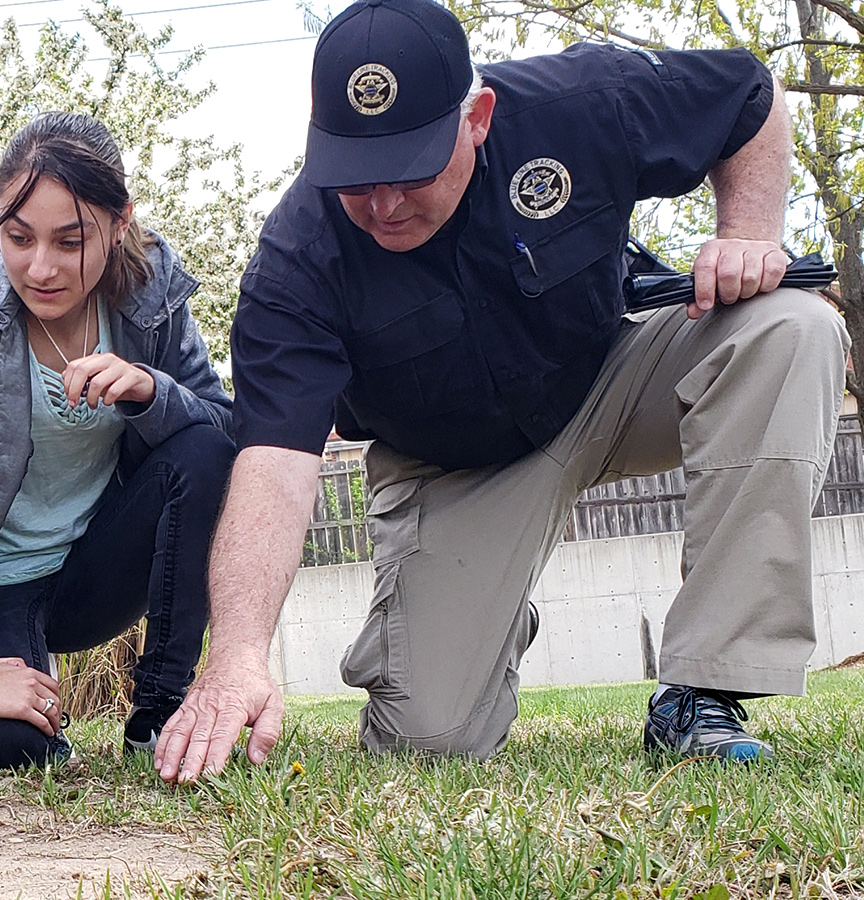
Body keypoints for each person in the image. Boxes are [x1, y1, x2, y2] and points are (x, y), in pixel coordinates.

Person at [155, 0, 848, 781]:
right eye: (356, 176)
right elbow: (276, 466)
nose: (383, 206)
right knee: (430, 741)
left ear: (477, 117)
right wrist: (240, 653)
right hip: (452, 468)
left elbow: (749, 97)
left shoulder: (580, 104)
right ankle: (480, 611)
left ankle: (703, 690)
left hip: (608, 376)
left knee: (791, 327)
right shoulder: (296, 261)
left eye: (411, 168)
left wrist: (748, 231)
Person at [0, 112, 235, 768]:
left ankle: (160, 708)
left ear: (119, 226)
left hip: (95, 570)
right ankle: (8, 697)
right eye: (19, 237)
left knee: (201, 448)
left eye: (71, 241)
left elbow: (227, 433)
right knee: (15, 751)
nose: (41, 268)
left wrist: (150, 389)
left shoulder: (151, 294)